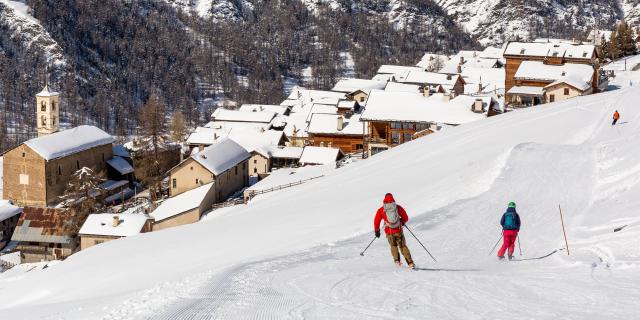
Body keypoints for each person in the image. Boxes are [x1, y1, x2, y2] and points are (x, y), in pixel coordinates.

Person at [374, 193, 414, 268]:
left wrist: (377, 230)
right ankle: (410, 263)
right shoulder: (397, 207)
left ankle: (397, 261)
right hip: (398, 230)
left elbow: (376, 220)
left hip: (389, 232)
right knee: (403, 246)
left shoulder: (382, 209)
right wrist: (402, 221)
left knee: (393, 246)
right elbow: (405, 217)